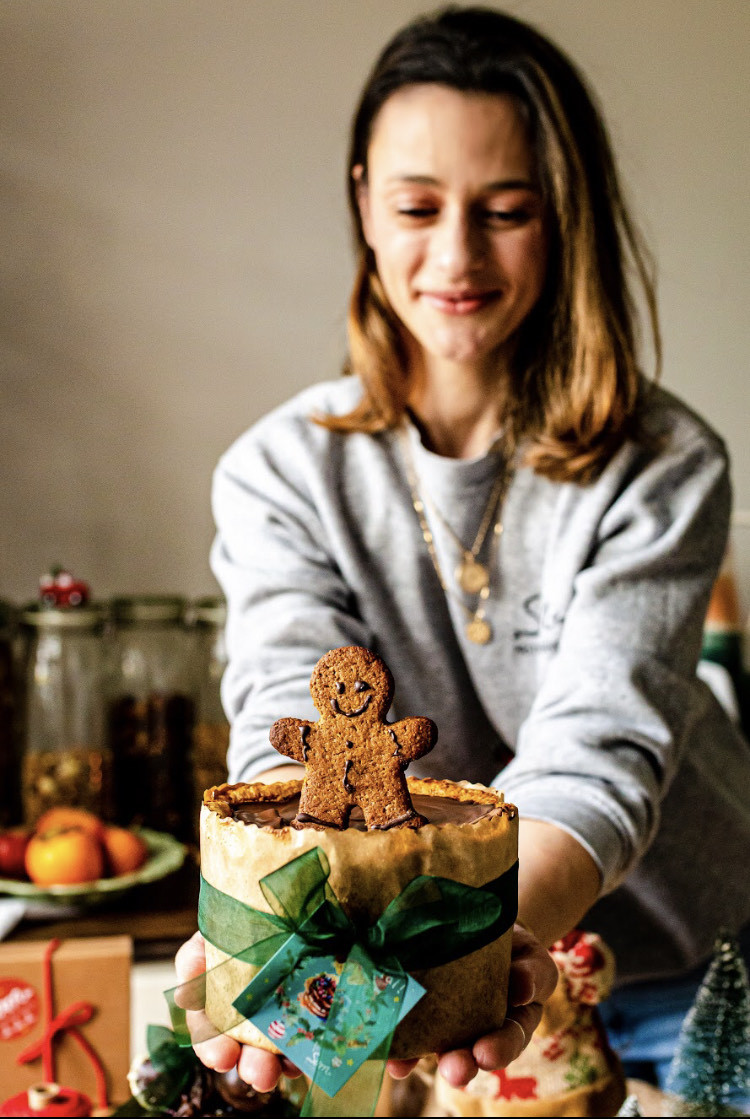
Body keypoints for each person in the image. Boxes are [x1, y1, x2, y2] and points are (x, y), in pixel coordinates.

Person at [176, 3, 750, 1102]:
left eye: (507, 210)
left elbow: (599, 751)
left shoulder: (666, 462)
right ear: (362, 203)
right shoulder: (279, 472)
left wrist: (479, 951)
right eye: (416, 206)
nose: (457, 255)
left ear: (564, 219)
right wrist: (277, 945)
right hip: (422, 961)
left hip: (681, 962)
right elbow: (287, 730)